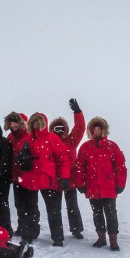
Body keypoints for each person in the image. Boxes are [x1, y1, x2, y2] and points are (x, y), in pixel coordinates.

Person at [16, 113, 70, 247]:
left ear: (43, 124)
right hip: (32, 179)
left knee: (53, 210)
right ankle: (29, 235)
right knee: (31, 209)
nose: (36, 125)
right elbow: (19, 155)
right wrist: (21, 158)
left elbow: (63, 158)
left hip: (49, 179)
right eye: (33, 123)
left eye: (38, 123)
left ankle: (58, 238)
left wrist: (64, 177)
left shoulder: (51, 138)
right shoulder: (28, 139)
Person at [75, 117, 127, 251]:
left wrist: (120, 183)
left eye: (99, 129)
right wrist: (80, 183)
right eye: (94, 129)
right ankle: (101, 237)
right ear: (91, 131)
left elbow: (120, 166)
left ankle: (113, 239)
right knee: (97, 213)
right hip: (93, 187)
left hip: (109, 188)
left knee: (111, 214)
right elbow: (79, 166)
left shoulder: (111, 146)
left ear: (104, 130)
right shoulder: (86, 147)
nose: (97, 131)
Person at [49, 98, 86, 239]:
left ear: (65, 130)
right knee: (55, 209)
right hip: (54, 181)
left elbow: (80, 128)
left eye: (61, 129)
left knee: (72, 206)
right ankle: (57, 234)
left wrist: (77, 112)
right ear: (51, 130)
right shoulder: (49, 143)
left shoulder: (71, 141)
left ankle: (76, 229)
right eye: (56, 129)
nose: (59, 131)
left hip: (69, 179)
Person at [4, 112, 29, 237]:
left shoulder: (28, 136)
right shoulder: (10, 137)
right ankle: (22, 226)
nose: (13, 125)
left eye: (16, 123)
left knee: (30, 203)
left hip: (28, 176)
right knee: (19, 203)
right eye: (11, 123)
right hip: (16, 175)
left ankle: (31, 229)